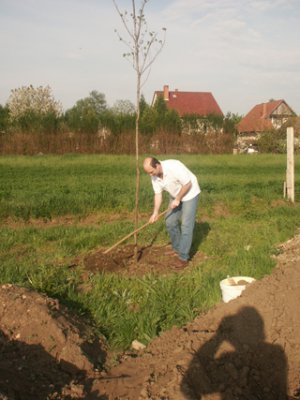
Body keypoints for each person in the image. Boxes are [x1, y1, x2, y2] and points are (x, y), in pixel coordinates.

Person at [143, 157, 200, 269]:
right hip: (175, 196)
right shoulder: (154, 176)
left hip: (190, 193)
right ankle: (178, 249)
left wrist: (178, 198)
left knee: (186, 225)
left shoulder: (174, 166)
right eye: (148, 173)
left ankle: (183, 258)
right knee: (170, 221)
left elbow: (187, 184)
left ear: (157, 165)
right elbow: (158, 194)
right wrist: (155, 212)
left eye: (151, 171)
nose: (150, 175)